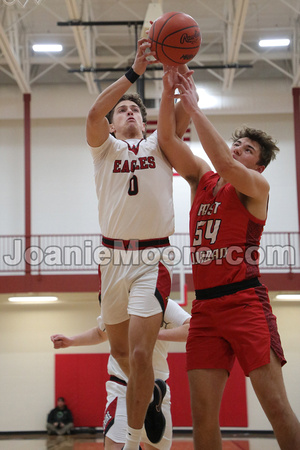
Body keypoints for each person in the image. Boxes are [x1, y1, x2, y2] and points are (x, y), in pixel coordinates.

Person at [157, 67, 300, 450]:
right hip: (205, 308)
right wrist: (168, 91)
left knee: (276, 407)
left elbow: (225, 164)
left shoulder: (256, 187)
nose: (238, 149)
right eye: (237, 144)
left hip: (245, 301)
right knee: (202, 415)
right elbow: (167, 139)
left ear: (258, 165)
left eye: (247, 150)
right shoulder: (201, 177)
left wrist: (196, 110)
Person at [86, 36, 193, 450]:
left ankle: (132, 439)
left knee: (141, 351)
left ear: (145, 121)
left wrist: (177, 78)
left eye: (135, 109)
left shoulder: (159, 143)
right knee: (121, 351)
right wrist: (133, 73)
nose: (129, 111)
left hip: (153, 257)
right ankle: (153, 396)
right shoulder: (103, 149)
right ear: (114, 125)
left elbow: (183, 115)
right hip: (111, 258)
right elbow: (94, 111)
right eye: (123, 110)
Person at [51, 298, 191, 450]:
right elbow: (100, 333)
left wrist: (153, 333)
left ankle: (152, 396)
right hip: (122, 387)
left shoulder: (164, 303)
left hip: (158, 390)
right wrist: (71, 341)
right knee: (115, 446)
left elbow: (192, 328)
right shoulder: (117, 302)